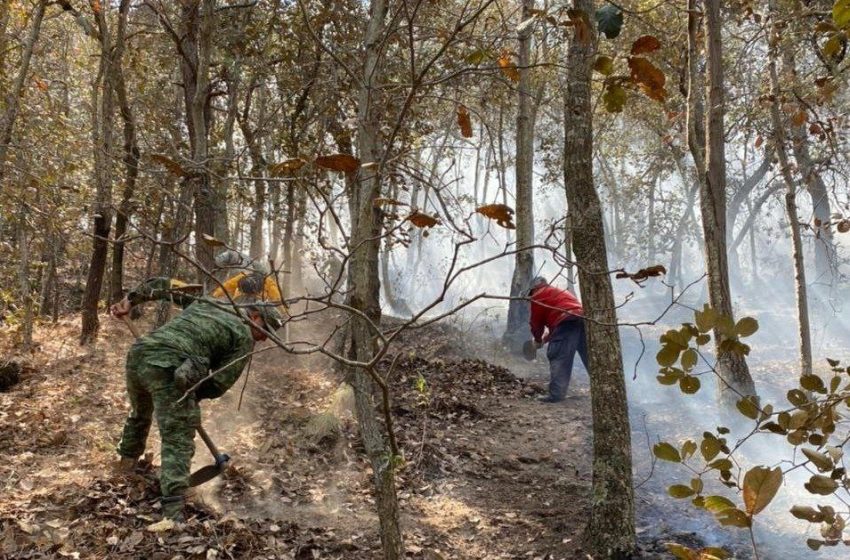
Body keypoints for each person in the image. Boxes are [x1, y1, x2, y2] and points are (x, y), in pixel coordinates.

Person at [109, 279, 284, 520]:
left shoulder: (209, 301)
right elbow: (219, 384)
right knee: (178, 436)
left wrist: (130, 300)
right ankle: (173, 512)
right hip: (169, 366)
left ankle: (123, 471)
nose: (264, 339)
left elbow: (164, 285)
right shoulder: (244, 335)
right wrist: (188, 398)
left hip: (140, 354)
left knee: (140, 415)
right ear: (254, 316)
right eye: (266, 330)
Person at [528, 276, 589, 403]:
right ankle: (604, 389)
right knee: (590, 358)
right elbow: (558, 326)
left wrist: (538, 339)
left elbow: (536, 323)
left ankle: (556, 395)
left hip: (565, 322)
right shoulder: (559, 293)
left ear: (533, 289)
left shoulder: (538, 296)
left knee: (558, 355)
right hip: (583, 320)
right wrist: (545, 339)